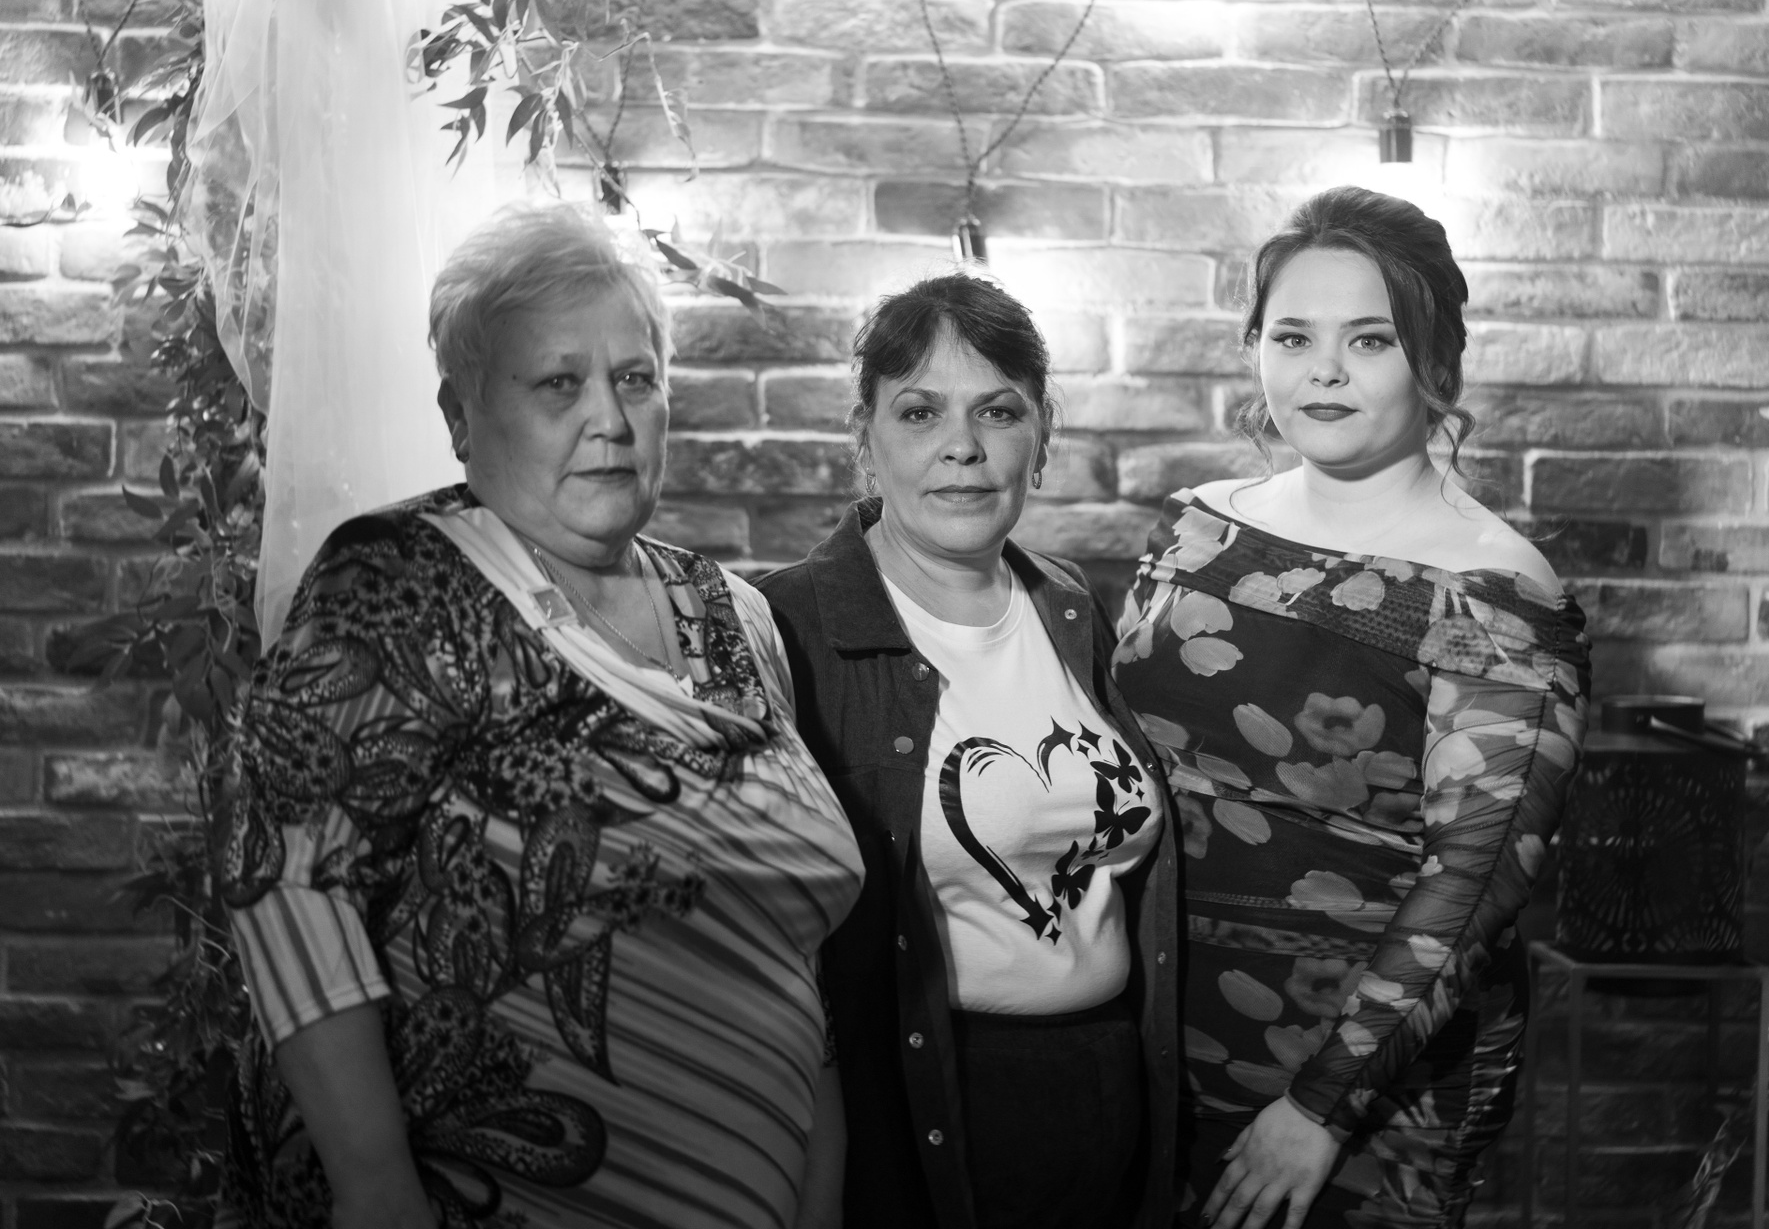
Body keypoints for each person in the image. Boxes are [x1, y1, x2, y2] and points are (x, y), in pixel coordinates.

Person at [213, 203, 861, 1229]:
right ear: (461, 414)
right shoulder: (399, 582)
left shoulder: (734, 615)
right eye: (559, 383)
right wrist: (375, 1189)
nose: (609, 418)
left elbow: (792, 946)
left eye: (635, 378)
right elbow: (282, 874)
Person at [1110, 187, 1591, 1229]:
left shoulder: (1495, 586)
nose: (1323, 370)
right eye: (1293, 336)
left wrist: (1319, 1107)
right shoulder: (1196, 527)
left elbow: (1475, 879)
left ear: (1438, 361)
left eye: (1369, 339)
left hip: (1362, 1083)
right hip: (1158, 1033)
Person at [756, 274, 1178, 1229]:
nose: (963, 447)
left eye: (999, 410)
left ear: (1043, 436)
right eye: (920, 413)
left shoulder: (1067, 604)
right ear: (863, 440)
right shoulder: (786, 625)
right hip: (932, 1106)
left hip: (1110, 1082)